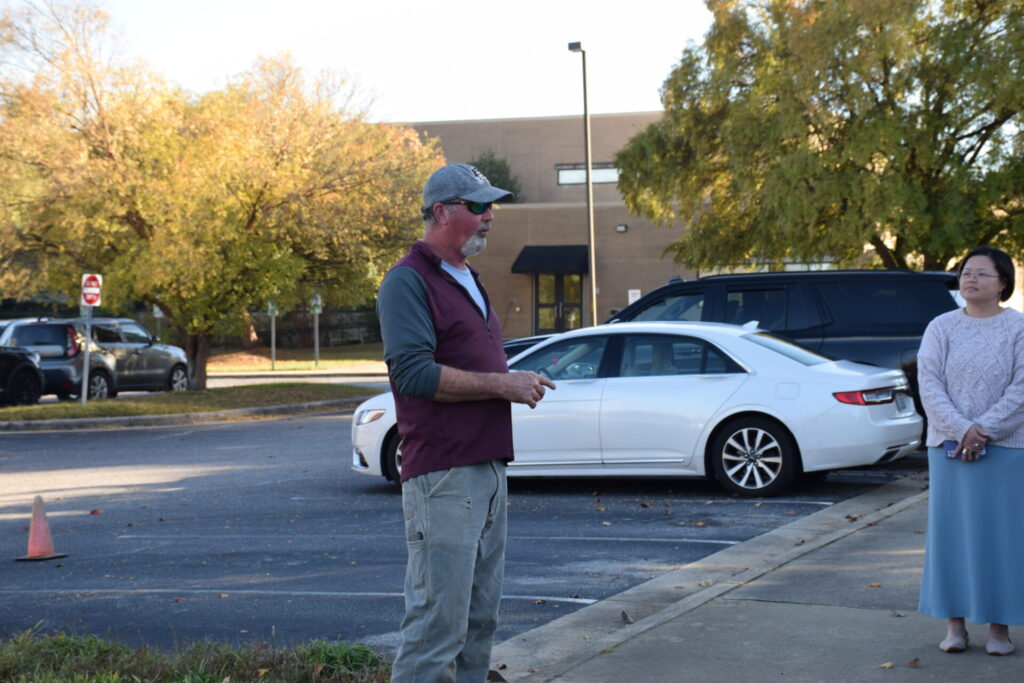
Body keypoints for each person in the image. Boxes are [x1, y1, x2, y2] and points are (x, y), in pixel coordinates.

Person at [377, 163, 557, 682]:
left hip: (488, 470)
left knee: (479, 624)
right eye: (478, 206)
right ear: (443, 211)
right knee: (438, 627)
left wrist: (510, 378)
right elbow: (411, 374)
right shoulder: (407, 281)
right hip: (445, 476)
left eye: (491, 206)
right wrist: (504, 385)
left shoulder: (467, 279)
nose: (489, 217)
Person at [918, 245, 1024, 656]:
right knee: (952, 535)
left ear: (1003, 284)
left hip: (1008, 448)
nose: (970, 279)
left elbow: (1021, 389)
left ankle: (1000, 631)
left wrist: (984, 430)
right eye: (965, 272)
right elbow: (929, 385)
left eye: (982, 273)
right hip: (948, 446)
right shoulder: (941, 327)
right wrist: (964, 430)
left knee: (1002, 537)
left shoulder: (1018, 328)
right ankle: (955, 627)